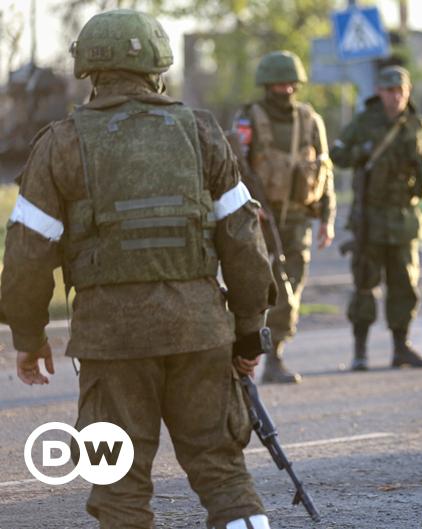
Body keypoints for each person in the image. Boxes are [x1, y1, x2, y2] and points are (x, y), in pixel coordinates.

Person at [1, 9, 277, 529]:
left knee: (119, 487)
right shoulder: (202, 132)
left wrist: (29, 335)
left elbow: (25, 255)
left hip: (112, 342)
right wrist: (246, 336)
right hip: (200, 333)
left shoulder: (59, 143)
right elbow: (244, 243)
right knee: (223, 474)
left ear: (88, 70)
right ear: (159, 67)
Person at [233, 50, 336, 384]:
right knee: (258, 288)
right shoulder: (249, 118)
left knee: (292, 285)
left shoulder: (310, 119)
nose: (286, 89)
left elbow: (324, 169)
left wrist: (327, 217)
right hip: (259, 219)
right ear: (267, 85)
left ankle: (275, 354)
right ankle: (247, 355)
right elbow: (234, 167)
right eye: (279, 83)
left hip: (297, 219)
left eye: (290, 82)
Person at [332, 65, 422, 371]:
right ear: (379, 92)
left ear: (408, 91)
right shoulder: (364, 122)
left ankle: (400, 348)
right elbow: (338, 155)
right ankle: (360, 351)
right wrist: (361, 152)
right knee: (365, 284)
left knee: (405, 286)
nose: (395, 97)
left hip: (404, 219)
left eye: (400, 91)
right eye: (389, 91)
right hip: (370, 219)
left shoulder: (416, 124)